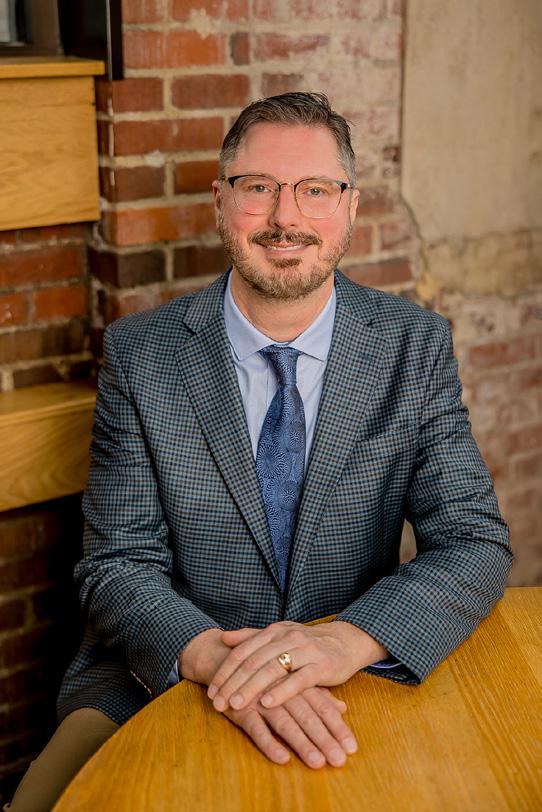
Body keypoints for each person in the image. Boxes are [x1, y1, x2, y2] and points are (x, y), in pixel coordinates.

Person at [7, 92, 512, 811]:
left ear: (350, 207)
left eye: (315, 190)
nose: (285, 217)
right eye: (258, 188)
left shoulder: (414, 345)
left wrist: (347, 641)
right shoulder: (142, 354)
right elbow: (117, 564)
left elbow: (472, 541)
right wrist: (218, 661)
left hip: (349, 674)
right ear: (221, 202)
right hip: (159, 672)